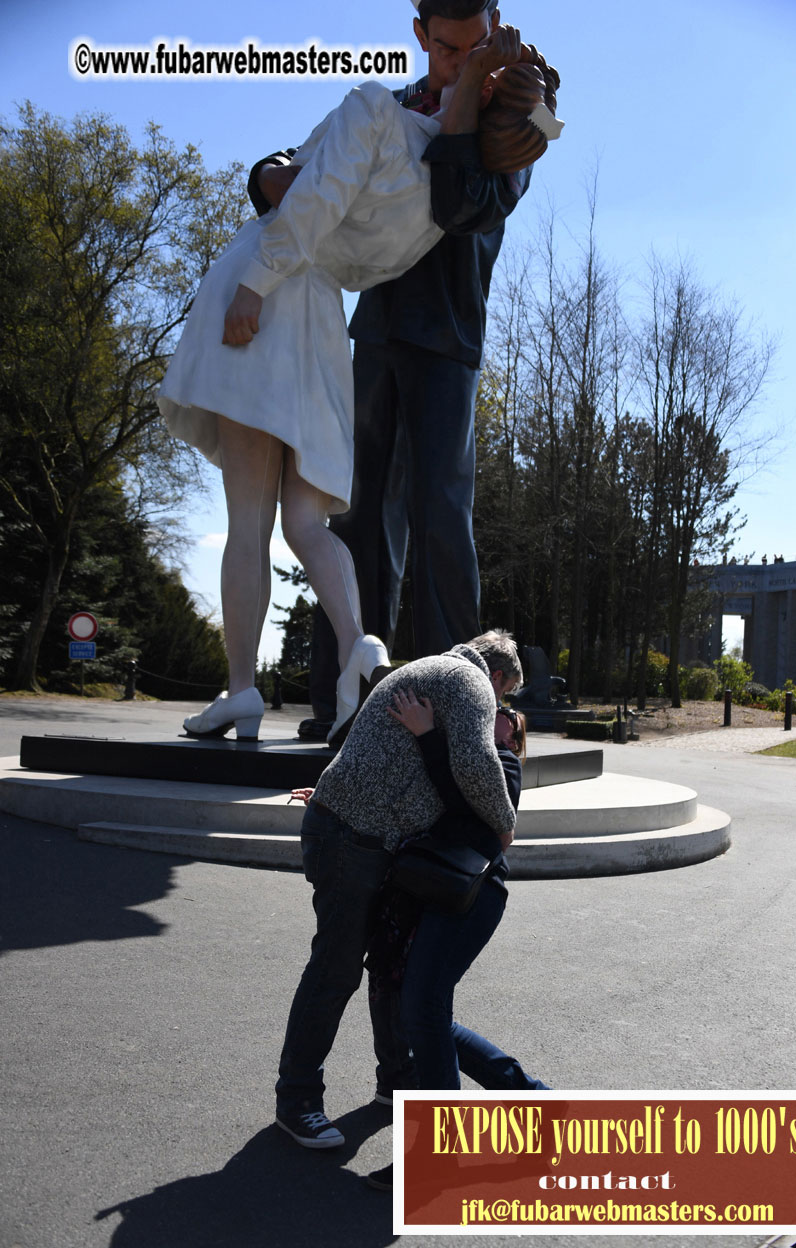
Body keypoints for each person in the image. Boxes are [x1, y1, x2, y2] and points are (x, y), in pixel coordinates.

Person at [162, 27, 558, 747]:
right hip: (369, 327)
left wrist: (474, 101)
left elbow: (463, 203)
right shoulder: (396, 102)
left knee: (439, 509)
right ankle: (339, 692)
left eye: (470, 39)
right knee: (356, 513)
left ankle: (450, 699)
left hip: (444, 334)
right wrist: (269, 176)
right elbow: (306, 168)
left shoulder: (510, 129)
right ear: (423, 35)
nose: (457, 51)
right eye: (446, 41)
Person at [274, 630, 522, 1149]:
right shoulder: (469, 682)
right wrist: (505, 826)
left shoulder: (431, 671)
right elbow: (478, 763)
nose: (500, 707)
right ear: (497, 677)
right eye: (506, 696)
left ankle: (397, 1081)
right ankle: (297, 1100)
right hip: (355, 837)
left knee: (388, 967)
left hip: (359, 833)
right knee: (336, 968)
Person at [364, 693, 546, 1190]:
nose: (496, 716)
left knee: (421, 1010)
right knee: (421, 1012)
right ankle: (528, 1097)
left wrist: (428, 736)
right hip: (433, 891)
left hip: (472, 894)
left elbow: (476, 808)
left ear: (514, 738)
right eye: (493, 710)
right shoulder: (463, 752)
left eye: (507, 718)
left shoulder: (503, 763)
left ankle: (440, 1157)